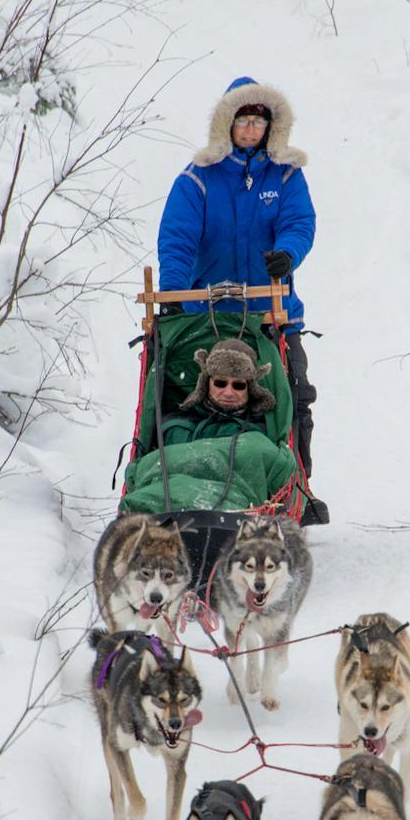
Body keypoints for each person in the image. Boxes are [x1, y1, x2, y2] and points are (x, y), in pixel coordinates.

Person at [157, 76, 329, 525]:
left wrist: (286, 255)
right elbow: (178, 237)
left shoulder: (286, 175)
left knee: (294, 395)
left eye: (258, 121)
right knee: (182, 395)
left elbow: (299, 221)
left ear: (272, 126)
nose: (251, 129)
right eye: (243, 121)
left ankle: (298, 490)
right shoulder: (199, 178)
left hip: (271, 313)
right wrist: (174, 293)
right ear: (226, 124)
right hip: (205, 317)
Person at [120, 339, 300, 516]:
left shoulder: (261, 431)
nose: (228, 392)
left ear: (250, 389)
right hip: (165, 501)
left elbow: (279, 470)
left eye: (238, 385)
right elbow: (149, 469)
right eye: (220, 383)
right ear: (206, 383)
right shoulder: (175, 427)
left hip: (235, 505)